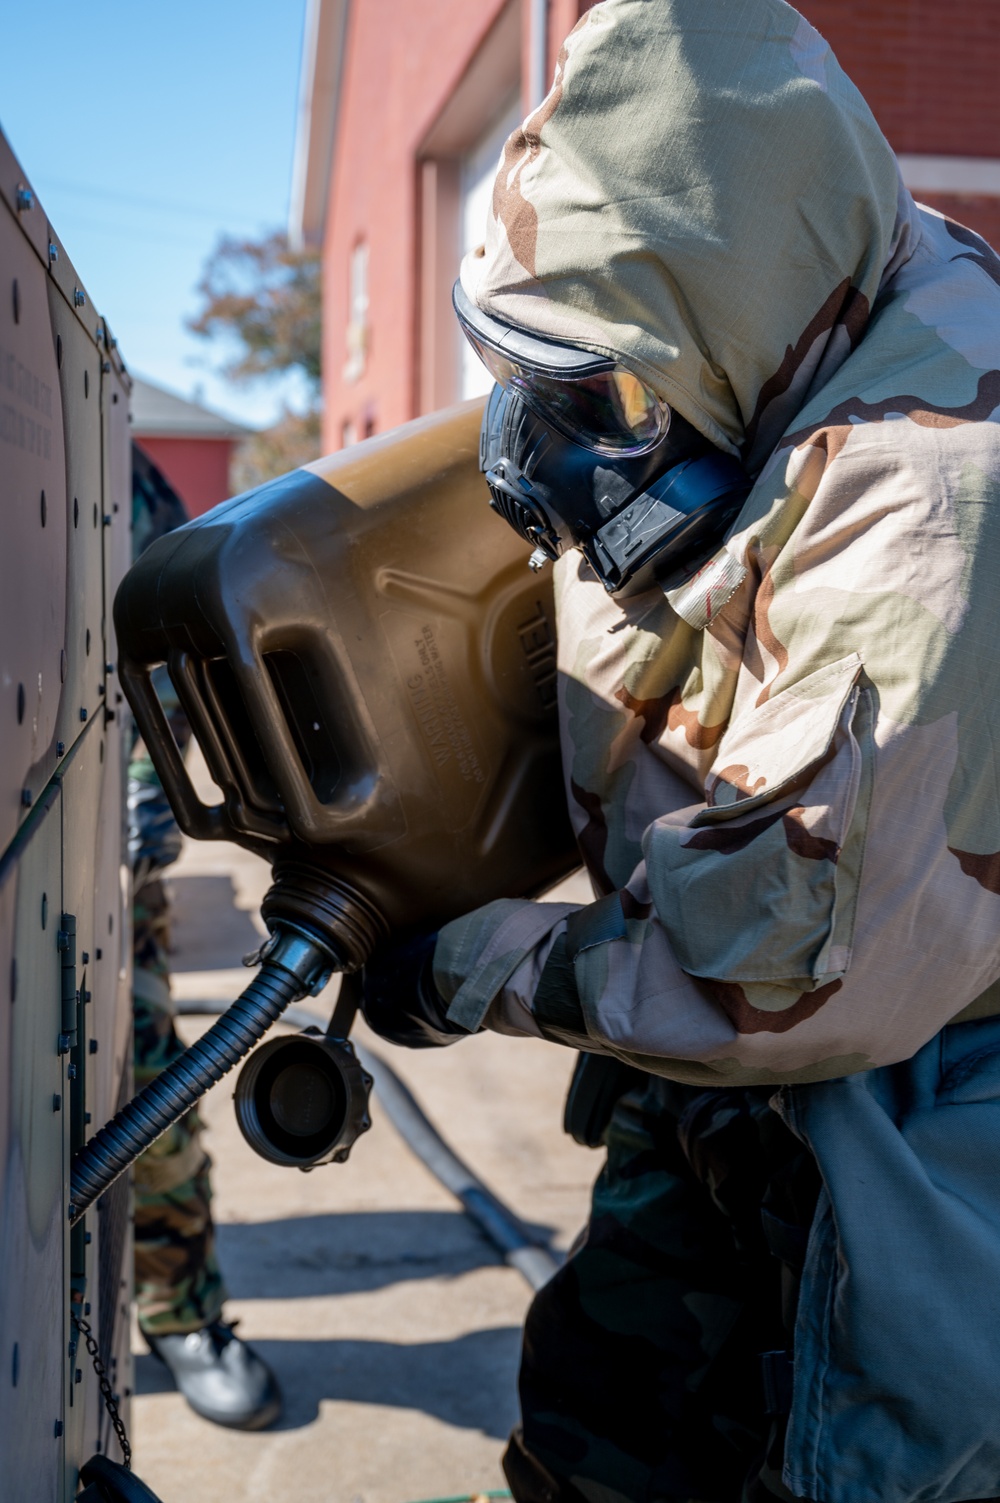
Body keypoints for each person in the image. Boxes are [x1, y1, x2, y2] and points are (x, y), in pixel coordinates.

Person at [359, 3, 1000, 1501]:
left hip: (884, 1110)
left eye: (599, 390)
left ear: (720, 288)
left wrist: (464, 961)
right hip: (730, 1073)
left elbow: (774, 987)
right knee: (596, 1425)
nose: (551, 446)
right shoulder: (812, 291)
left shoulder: (932, 504)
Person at [130, 446, 281, 1430]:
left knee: (139, 1087)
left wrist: (146, 777)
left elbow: (165, 611)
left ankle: (179, 1313)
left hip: (77, 864)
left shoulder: (72, 433)